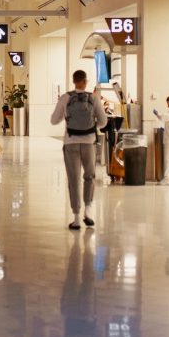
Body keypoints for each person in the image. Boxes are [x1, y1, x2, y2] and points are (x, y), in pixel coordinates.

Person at [50, 70, 108, 230]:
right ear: (85, 81)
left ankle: (76, 218)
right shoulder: (94, 98)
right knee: (89, 176)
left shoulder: (65, 98)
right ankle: (88, 212)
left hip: (70, 143)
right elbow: (103, 122)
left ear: (73, 81)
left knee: (73, 179)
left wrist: (66, 117)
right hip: (89, 142)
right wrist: (91, 126)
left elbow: (53, 120)